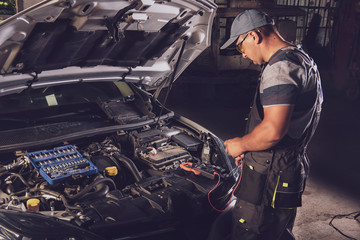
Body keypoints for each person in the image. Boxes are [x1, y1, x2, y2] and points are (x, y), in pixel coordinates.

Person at [220, 9, 323, 240]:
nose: (244, 55)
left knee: (251, 233)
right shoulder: (301, 58)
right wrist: (250, 148)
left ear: (254, 36)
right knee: (277, 232)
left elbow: (273, 131)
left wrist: (240, 144)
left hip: (267, 178)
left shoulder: (280, 68)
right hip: (287, 169)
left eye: (240, 46)